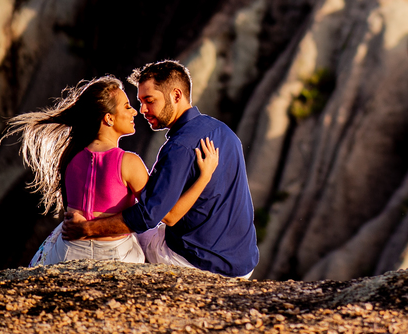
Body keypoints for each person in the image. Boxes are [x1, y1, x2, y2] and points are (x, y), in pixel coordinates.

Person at [62, 60, 260, 279]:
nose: (142, 110)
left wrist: (88, 229)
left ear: (176, 95)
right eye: (139, 102)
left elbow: (153, 215)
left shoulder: (179, 147)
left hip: (196, 263)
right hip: (242, 263)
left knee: (130, 237)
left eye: (149, 100)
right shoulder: (224, 131)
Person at [3, 75, 218, 266]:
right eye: (126, 106)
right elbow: (164, 214)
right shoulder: (128, 162)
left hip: (69, 252)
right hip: (116, 255)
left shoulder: (70, 157)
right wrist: (204, 177)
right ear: (108, 118)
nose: (135, 111)